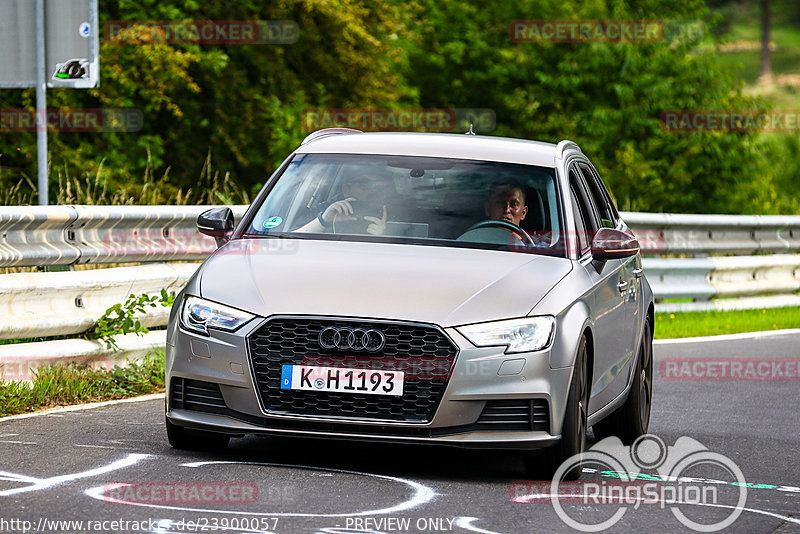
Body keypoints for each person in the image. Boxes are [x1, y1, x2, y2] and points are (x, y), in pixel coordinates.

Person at [295, 173, 389, 234]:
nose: (372, 191)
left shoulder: (396, 215)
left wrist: (384, 238)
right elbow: (291, 240)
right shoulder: (326, 211)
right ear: (346, 190)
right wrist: (323, 221)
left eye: (378, 187)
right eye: (364, 186)